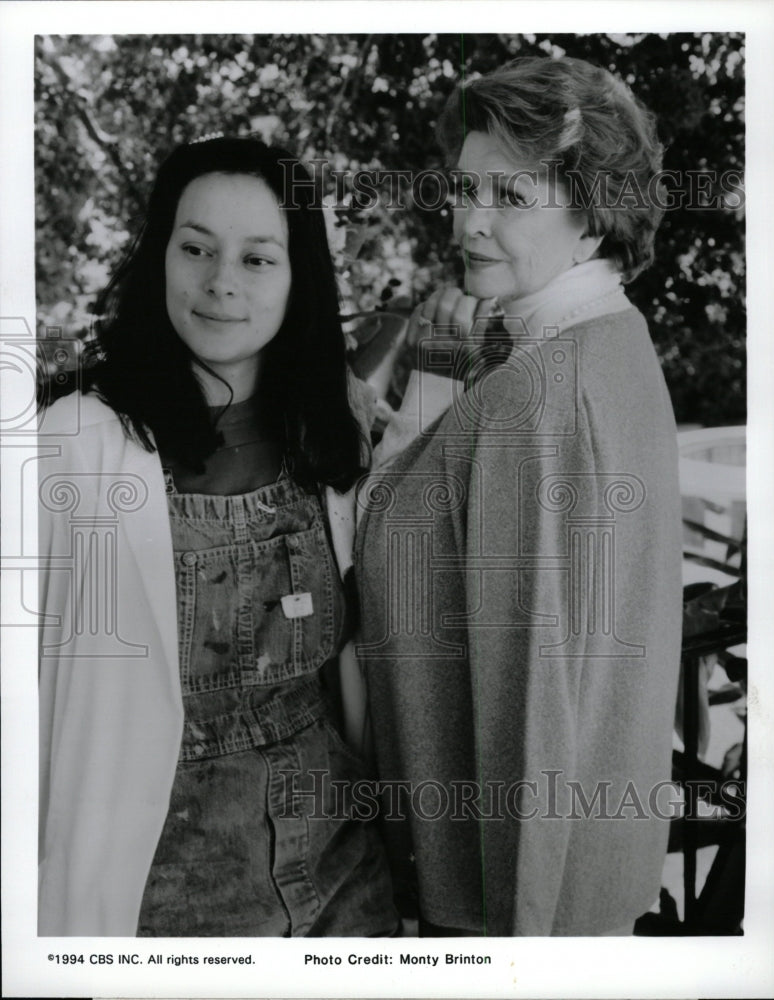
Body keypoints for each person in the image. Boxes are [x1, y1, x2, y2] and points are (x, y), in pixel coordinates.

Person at [37, 137, 398, 937]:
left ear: (299, 277)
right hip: (161, 895)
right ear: (159, 255)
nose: (221, 282)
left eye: (258, 259)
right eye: (196, 247)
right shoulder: (76, 444)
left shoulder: (337, 433)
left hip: (344, 878)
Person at [355, 56, 682, 936]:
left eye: (510, 196)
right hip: (592, 877)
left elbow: (530, 703)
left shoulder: (537, 401)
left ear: (592, 209)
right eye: (464, 189)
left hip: (511, 907)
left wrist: (520, 947)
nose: (469, 220)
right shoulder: (613, 342)